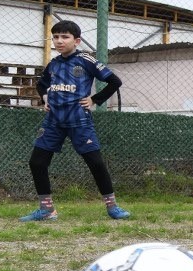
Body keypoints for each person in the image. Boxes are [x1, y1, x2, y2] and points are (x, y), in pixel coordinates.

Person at [18, 19, 130, 221]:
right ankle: (47, 210)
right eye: (56, 37)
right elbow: (41, 85)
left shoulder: (86, 60)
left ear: (77, 41)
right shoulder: (53, 64)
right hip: (53, 121)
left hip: (79, 121)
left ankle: (112, 207)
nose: (59, 41)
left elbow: (115, 81)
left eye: (65, 37)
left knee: (95, 162)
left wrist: (95, 100)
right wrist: (45, 97)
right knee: (37, 162)